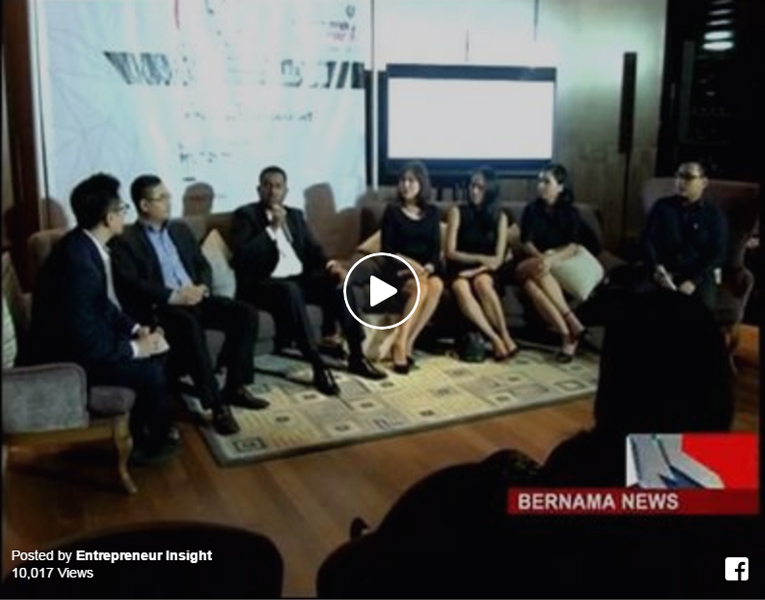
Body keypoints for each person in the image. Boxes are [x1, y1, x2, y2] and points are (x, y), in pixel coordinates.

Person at [316, 289, 738, 598]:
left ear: (615, 385)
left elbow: (336, 577)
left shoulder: (566, 486)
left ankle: (374, 540)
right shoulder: (731, 494)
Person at [28, 173, 179, 465]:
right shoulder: (77, 262)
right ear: (109, 218)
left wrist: (137, 328)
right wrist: (136, 348)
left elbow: (104, 306)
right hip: (67, 361)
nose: (125, 215)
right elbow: (83, 341)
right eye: (122, 209)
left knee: (158, 347)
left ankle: (145, 430)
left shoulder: (84, 246)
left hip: (88, 339)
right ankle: (150, 446)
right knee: (151, 372)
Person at [110, 175, 269, 437]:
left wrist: (201, 287)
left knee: (246, 314)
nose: (168, 202)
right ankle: (216, 405)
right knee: (188, 325)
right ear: (144, 205)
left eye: (168, 196)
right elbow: (133, 284)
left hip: (196, 297)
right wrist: (175, 295)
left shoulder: (180, 230)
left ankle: (236, 387)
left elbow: (201, 264)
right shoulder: (126, 241)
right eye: (161, 198)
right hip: (164, 307)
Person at [230, 166, 386, 396]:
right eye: (267, 185)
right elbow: (244, 257)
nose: (272, 191)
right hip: (264, 284)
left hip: (299, 279)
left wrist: (331, 265)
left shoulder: (294, 215)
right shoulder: (245, 216)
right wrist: (272, 229)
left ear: (285, 190)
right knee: (290, 290)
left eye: (278, 186)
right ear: (259, 189)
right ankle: (317, 364)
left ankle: (357, 355)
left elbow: (313, 250)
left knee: (339, 284)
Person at [516, 163, 589, 362]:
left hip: (555, 267)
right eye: (539, 181)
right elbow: (526, 242)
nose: (540, 185)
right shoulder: (531, 210)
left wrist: (550, 260)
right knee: (538, 268)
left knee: (531, 286)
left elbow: (573, 246)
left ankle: (567, 335)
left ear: (561, 187)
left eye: (546, 182)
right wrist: (542, 259)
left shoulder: (571, 213)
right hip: (528, 263)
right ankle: (572, 320)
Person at [444, 167, 519, 360]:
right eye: (472, 186)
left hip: (487, 271)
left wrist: (477, 270)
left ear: (490, 190)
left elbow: (498, 259)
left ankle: (505, 335)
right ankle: (494, 339)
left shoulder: (500, 217)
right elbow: (450, 252)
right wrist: (479, 259)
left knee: (482, 282)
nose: (474, 191)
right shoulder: (457, 212)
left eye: (480, 187)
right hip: (460, 266)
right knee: (460, 287)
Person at [379, 161, 445, 374]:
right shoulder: (392, 212)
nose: (406, 185)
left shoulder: (432, 212)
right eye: (403, 181)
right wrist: (411, 265)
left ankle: (409, 342)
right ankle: (399, 343)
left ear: (421, 184)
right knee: (421, 287)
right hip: (398, 270)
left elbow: (436, 250)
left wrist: (427, 267)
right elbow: (387, 250)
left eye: (411, 181)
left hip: (424, 271)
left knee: (436, 285)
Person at [640, 161, 727, 312]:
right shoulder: (662, 206)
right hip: (664, 270)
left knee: (701, 311)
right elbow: (646, 240)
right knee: (641, 302)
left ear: (704, 182)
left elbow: (718, 254)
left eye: (688, 177)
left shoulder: (713, 214)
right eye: (679, 176)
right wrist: (656, 268)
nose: (681, 182)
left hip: (698, 274)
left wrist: (694, 281)